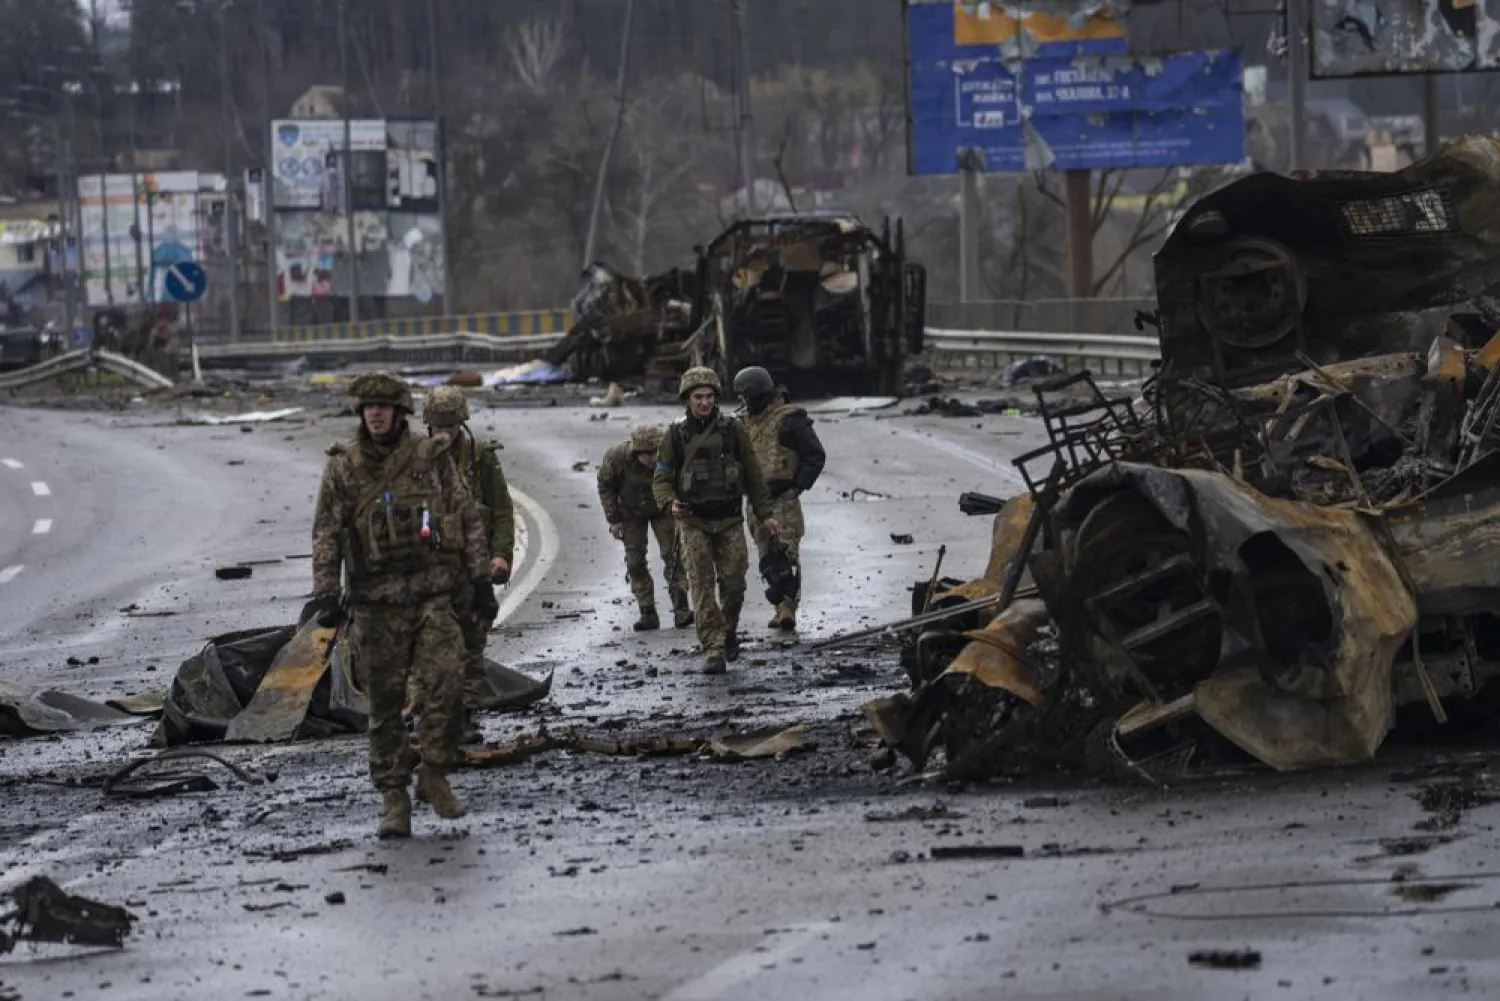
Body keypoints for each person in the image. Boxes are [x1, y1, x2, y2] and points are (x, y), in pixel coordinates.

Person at [307, 373, 498, 839]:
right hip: (376, 605)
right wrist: (326, 593)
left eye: (384, 407)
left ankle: (434, 771)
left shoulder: (429, 459)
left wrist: (479, 581)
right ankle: (394, 797)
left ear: (400, 412)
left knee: (449, 682)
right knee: (386, 707)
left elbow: (466, 515)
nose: (375, 414)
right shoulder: (343, 468)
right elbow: (326, 533)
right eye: (368, 407)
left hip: (432, 595)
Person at [653, 366, 778, 674]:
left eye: (709, 397)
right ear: (688, 399)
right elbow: (662, 478)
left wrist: (766, 514)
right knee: (701, 586)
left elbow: (753, 475)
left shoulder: (732, 430)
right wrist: (670, 503)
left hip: (729, 520)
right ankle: (713, 647)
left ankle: (728, 630)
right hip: (693, 522)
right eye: (698, 397)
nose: (705, 403)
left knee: (734, 584)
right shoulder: (676, 434)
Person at [421, 386, 516, 711]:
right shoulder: (416, 460)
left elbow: (501, 510)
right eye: (438, 426)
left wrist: (501, 555)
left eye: (450, 426)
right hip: (431, 567)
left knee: (472, 642)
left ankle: (467, 715)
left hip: (475, 565)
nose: (444, 433)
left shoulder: (482, 457)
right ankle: (434, 711)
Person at [732, 367, 826, 631]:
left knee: (785, 555)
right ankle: (778, 607)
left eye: (748, 398)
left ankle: (788, 609)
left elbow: (815, 455)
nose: (745, 403)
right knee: (767, 558)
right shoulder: (742, 423)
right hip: (756, 502)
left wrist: (798, 486)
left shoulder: (789, 420)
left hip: (783, 499)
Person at [597, 424, 692, 632]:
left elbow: (685, 481)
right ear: (637, 451)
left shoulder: (672, 454)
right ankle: (647, 610)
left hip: (664, 507)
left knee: (673, 556)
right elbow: (605, 485)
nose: (652, 458)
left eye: (655, 453)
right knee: (635, 561)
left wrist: (681, 507)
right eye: (647, 454)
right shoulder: (617, 457)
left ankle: (681, 607)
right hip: (631, 511)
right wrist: (613, 519)